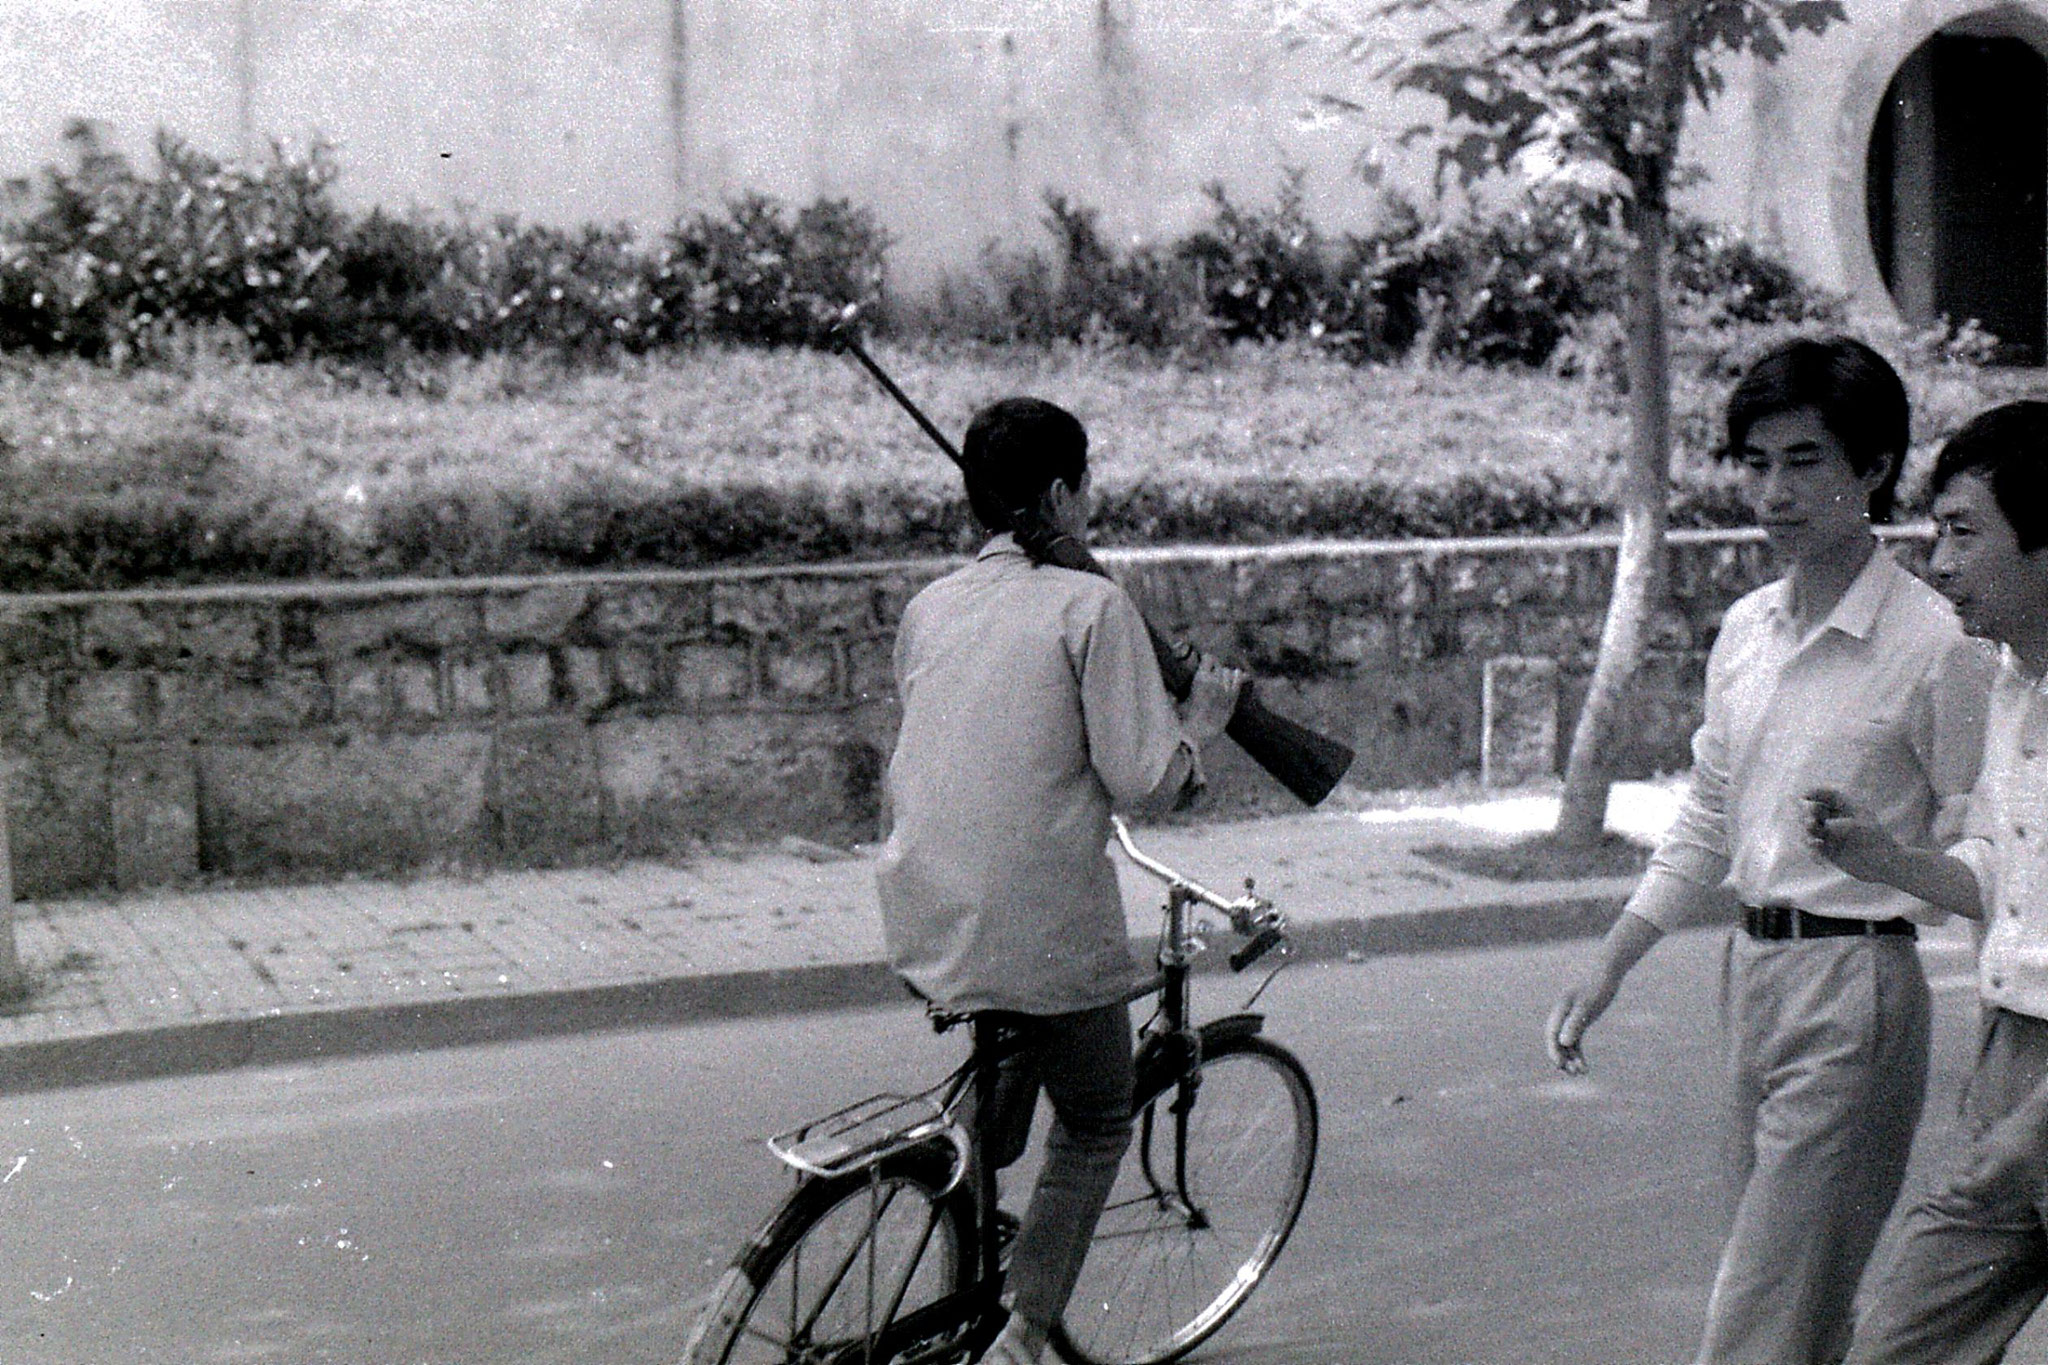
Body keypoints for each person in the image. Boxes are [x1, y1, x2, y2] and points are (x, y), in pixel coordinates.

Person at [1543, 336, 1993, 1365]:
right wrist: (1607, 962)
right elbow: (1708, 813)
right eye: (1754, 463)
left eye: (1803, 461)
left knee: (1752, 1321)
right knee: (1797, 1311)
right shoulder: (1745, 629)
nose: (1772, 491)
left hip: (1856, 986)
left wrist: (1991, 1036)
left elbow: (1984, 855)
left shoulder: (1934, 645)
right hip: (1748, 975)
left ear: (1871, 470)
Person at [874, 396, 1245, 1365]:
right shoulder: (1091, 607)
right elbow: (1146, 782)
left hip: (923, 910)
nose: (1089, 502)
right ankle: (1023, 1332)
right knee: (1095, 1116)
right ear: (1056, 495)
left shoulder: (930, 607)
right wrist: (1197, 723)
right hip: (1034, 928)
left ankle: (964, 1176)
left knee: (1020, 1022)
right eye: (1083, 486)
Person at [1805, 402, 2048, 1365]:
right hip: (2009, 1053)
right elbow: (2004, 876)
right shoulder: (2008, 687)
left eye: (1963, 531)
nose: (1937, 564)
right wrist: (1886, 860)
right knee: (1897, 1342)